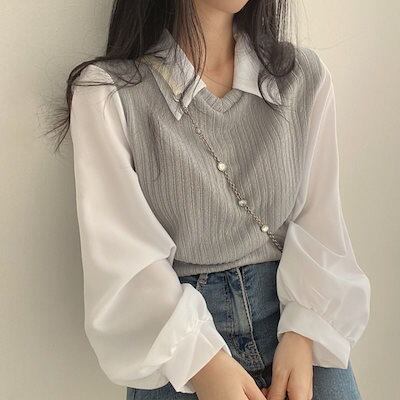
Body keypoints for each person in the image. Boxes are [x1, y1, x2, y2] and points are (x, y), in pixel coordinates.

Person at [56, 1, 371, 399]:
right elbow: (122, 262)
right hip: (173, 347)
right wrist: (202, 362)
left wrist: (304, 331)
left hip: (296, 330)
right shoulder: (109, 93)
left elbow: (321, 225)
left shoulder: (302, 77)